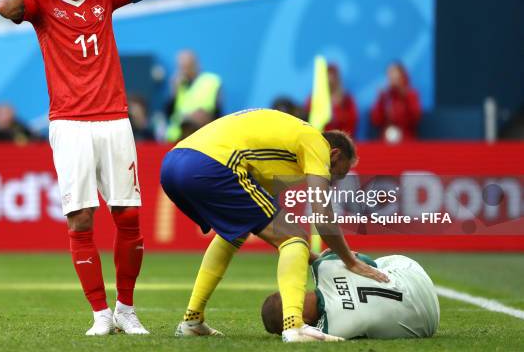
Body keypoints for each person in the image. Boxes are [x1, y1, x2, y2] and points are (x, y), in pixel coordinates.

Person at [0, 0, 169, 335]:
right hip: (69, 123)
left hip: (113, 119)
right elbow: (4, 6)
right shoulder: (40, 2)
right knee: (81, 219)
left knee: (128, 215)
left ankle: (126, 309)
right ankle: (100, 314)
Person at [160, 108, 389, 343]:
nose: (331, 183)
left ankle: (192, 320)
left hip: (173, 163)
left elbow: (266, 227)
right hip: (209, 164)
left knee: (235, 234)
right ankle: (294, 327)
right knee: (295, 237)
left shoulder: (283, 154)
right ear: (334, 154)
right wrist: (350, 261)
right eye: (337, 174)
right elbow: (322, 217)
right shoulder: (316, 142)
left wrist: (315, 258)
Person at [261, 251, 440, 340]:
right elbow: (368, 264)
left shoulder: (332, 330)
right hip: (414, 275)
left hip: (427, 324)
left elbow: (299, 337)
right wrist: (323, 258)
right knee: (370, 265)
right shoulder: (324, 267)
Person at [165, 50, 222, 142]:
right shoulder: (178, 84)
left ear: (195, 65)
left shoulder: (211, 81)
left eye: (187, 66)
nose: (184, 71)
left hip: (201, 136)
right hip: (177, 138)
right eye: (181, 67)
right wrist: (173, 91)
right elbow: (169, 114)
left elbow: (218, 113)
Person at [371, 63, 422, 142]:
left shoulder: (411, 95)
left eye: (394, 73)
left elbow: (415, 118)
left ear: (402, 76)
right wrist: (380, 100)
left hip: (407, 139)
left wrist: (403, 94)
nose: (391, 77)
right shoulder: (385, 95)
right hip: (386, 140)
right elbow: (376, 120)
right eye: (389, 74)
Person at [305, 65, 357, 136]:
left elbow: (352, 120)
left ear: (337, 80)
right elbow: (307, 118)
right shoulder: (314, 99)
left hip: (340, 139)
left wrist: (337, 117)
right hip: (319, 137)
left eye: (332, 77)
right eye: (327, 77)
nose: (330, 81)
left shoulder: (346, 99)